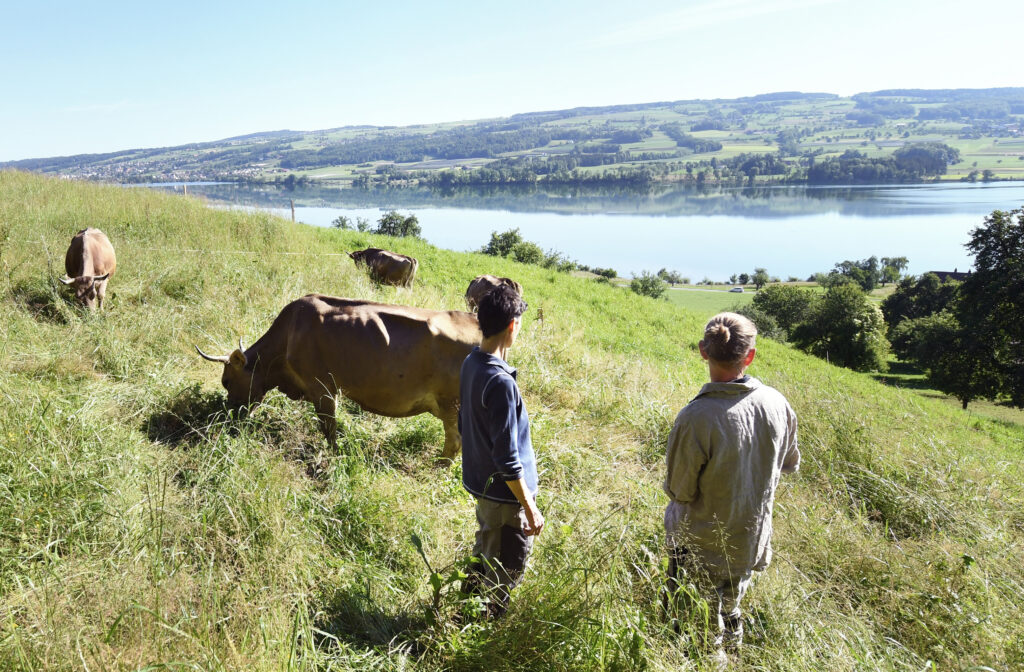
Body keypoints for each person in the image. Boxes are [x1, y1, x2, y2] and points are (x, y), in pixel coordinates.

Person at [663, 312, 799, 658]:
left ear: (703, 351)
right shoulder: (777, 403)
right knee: (730, 605)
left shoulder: (696, 417)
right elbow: (789, 463)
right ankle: (732, 653)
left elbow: (681, 491)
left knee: (692, 621)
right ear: (749, 356)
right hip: (749, 539)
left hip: (699, 543)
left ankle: (710, 660)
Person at [459, 284, 544, 618]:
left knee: (483, 554)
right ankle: (483, 635)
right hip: (505, 499)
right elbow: (508, 459)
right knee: (503, 572)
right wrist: (530, 507)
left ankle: (458, 616)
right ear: (513, 326)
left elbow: (464, 423)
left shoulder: (471, 363)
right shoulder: (501, 383)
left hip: (484, 488)